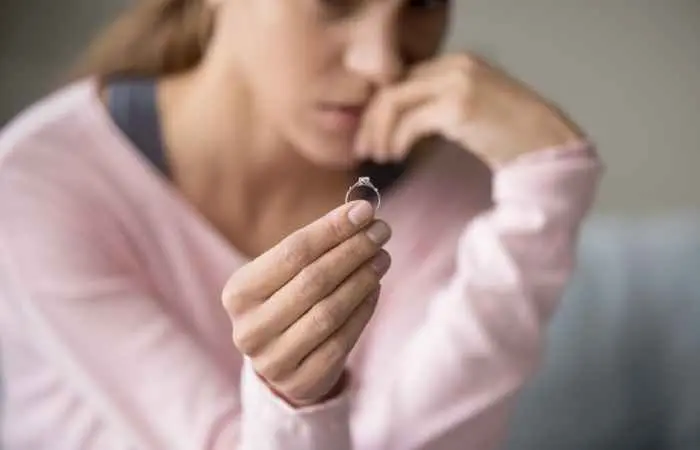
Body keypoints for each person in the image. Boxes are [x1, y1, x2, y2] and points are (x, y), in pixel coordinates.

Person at [0, 0, 602, 448]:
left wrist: (547, 184)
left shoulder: (455, 183)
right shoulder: (41, 182)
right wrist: (293, 401)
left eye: (420, 4)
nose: (383, 63)